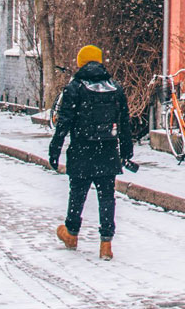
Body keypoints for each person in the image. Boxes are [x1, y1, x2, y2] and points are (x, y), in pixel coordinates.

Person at [49, 44, 133, 261]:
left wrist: (55, 149)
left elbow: (64, 122)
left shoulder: (75, 88)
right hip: (107, 151)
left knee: (77, 193)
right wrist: (126, 152)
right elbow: (125, 123)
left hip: (81, 150)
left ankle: (71, 233)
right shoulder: (115, 88)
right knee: (107, 197)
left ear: (80, 63)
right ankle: (106, 243)